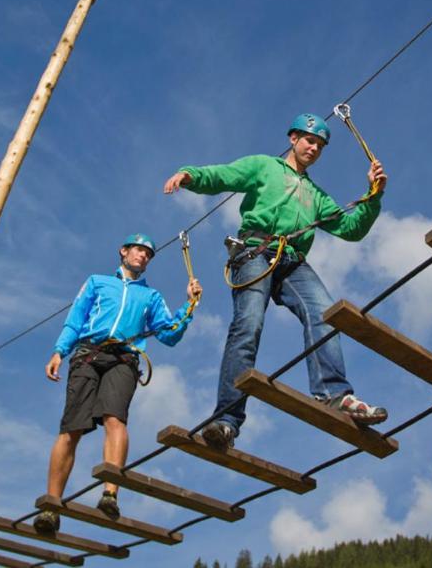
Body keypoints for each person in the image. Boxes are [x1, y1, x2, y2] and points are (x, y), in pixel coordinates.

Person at [162, 113, 388, 449]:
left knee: (325, 313)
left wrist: (374, 195)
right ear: (293, 139)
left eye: (320, 145)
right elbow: (224, 176)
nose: (314, 148)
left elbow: (351, 229)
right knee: (248, 324)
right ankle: (226, 421)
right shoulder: (264, 166)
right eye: (309, 140)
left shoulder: (316, 195)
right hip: (257, 251)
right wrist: (190, 175)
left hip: (294, 260)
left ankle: (334, 393)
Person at [33, 233, 201, 534]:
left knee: (115, 419)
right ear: (124, 251)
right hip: (88, 354)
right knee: (71, 429)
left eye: (148, 254)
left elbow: (169, 334)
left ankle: (110, 493)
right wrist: (59, 351)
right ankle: (50, 507)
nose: (144, 256)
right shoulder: (97, 282)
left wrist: (188, 307)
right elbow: (75, 318)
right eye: (139, 250)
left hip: (124, 359)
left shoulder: (151, 297)